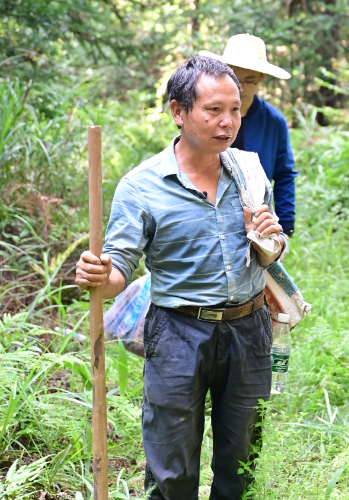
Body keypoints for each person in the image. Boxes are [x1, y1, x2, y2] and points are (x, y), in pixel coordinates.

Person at [75, 55, 285, 499]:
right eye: (213, 110)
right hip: (177, 332)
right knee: (171, 469)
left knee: (241, 463)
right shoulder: (141, 186)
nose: (227, 121)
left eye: (235, 108)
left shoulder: (249, 170)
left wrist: (271, 241)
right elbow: (118, 268)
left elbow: (271, 250)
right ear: (178, 111)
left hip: (249, 330)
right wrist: (100, 273)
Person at [200, 33, 297, 237]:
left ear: (261, 78)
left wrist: (286, 227)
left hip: (258, 222)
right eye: (235, 79)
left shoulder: (273, 121)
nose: (240, 88)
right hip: (209, 218)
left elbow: (284, 174)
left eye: (249, 81)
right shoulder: (205, 115)